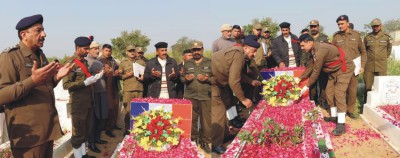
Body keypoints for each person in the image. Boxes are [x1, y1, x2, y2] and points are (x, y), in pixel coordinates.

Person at [0, 14, 74, 158]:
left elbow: (42, 86)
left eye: (43, 30)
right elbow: (2, 94)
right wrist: (32, 80)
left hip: (46, 130)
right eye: (38, 30)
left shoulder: (40, 55)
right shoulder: (9, 57)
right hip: (29, 136)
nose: (44, 34)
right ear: (24, 34)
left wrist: (56, 78)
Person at [211, 37, 261, 154]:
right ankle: (215, 144)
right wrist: (243, 99)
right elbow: (234, 81)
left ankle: (223, 135)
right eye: (253, 51)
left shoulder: (237, 52)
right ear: (246, 48)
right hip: (212, 83)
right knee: (218, 112)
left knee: (224, 108)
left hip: (218, 82)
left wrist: (250, 81)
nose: (254, 54)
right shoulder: (238, 55)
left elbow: (236, 74)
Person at [298, 34, 355, 136]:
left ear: (310, 42)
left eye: (303, 46)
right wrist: (300, 78)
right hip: (332, 71)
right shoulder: (313, 49)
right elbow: (311, 65)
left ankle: (341, 124)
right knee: (329, 92)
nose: (302, 48)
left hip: (344, 69)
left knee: (339, 93)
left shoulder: (320, 50)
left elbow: (316, 71)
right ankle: (334, 116)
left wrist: (306, 86)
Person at [63, 36, 103, 158]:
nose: (87, 51)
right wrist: (84, 83)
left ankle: (83, 154)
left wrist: (94, 77)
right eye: (85, 49)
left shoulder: (84, 62)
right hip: (78, 104)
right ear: (78, 48)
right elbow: (66, 85)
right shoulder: (70, 63)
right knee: (78, 134)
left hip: (88, 102)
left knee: (86, 130)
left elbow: (87, 78)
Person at [332, 15, 367, 119]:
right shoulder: (336, 36)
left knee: (352, 90)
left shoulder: (356, 35)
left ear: (348, 23)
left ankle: (350, 110)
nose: (340, 26)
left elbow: (363, 52)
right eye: (338, 24)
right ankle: (341, 110)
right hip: (341, 68)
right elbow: (333, 52)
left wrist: (362, 66)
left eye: (342, 24)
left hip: (354, 67)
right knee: (341, 90)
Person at [180, 41, 212, 153]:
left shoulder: (210, 62)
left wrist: (207, 79)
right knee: (192, 120)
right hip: (191, 96)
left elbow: (216, 79)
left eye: (198, 49)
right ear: (191, 51)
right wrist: (186, 79)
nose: (196, 52)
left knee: (206, 122)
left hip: (206, 96)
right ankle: (193, 140)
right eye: (194, 50)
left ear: (202, 49)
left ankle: (205, 142)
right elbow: (182, 78)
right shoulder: (187, 64)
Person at [85, 41, 109, 153]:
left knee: (102, 117)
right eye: (94, 48)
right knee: (93, 120)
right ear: (89, 49)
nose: (97, 50)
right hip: (94, 94)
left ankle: (97, 138)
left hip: (103, 92)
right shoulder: (86, 62)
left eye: (98, 48)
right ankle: (91, 143)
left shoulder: (98, 61)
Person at [119, 45, 146, 135]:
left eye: (133, 50)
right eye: (130, 51)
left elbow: (146, 74)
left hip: (139, 89)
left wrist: (143, 77)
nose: (132, 52)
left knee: (139, 110)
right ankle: (127, 129)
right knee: (128, 110)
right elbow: (119, 76)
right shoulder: (123, 63)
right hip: (128, 90)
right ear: (126, 52)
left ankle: (138, 129)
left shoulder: (141, 62)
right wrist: (127, 75)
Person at [363, 18, 392, 105]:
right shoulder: (367, 37)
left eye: (377, 26)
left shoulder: (386, 37)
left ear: (380, 25)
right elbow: (364, 50)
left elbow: (389, 50)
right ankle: (366, 103)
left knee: (382, 85)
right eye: (373, 26)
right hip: (369, 65)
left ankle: (381, 104)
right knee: (368, 85)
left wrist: (382, 58)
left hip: (381, 65)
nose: (375, 28)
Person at [305, 20, 330, 109]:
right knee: (312, 85)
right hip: (311, 65)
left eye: (315, 26)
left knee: (323, 84)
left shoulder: (324, 38)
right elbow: (303, 52)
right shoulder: (307, 37)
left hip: (323, 65)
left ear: (318, 27)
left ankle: (323, 101)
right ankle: (313, 101)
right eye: (311, 26)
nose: (313, 28)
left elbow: (328, 50)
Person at [99, 44, 122, 137]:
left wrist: (117, 73)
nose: (108, 53)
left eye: (109, 51)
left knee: (116, 106)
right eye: (106, 51)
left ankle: (113, 124)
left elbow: (118, 73)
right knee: (109, 107)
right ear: (102, 51)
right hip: (105, 87)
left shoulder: (113, 61)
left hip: (114, 86)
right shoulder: (99, 61)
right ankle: (107, 128)